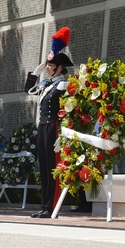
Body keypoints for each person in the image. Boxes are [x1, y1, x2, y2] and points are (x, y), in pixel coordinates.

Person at [29, 51, 72, 218]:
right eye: (47, 65)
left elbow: (68, 110)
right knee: (44, 167)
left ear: (59, 68)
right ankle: (44, 205)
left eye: (50, 66)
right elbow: (29, 90)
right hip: (43, 126)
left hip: (54, 126)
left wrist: (63, 134)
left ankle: (51, 206)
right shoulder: (46, 84)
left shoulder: (63, 86)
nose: (47, 68)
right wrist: (34, 74)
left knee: (53, 167)